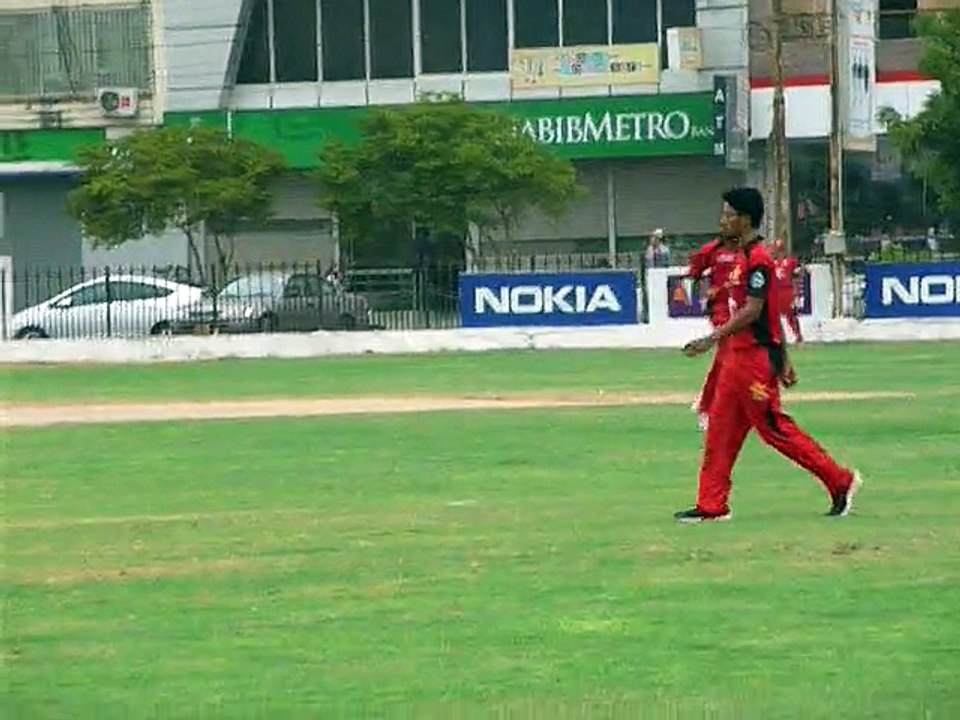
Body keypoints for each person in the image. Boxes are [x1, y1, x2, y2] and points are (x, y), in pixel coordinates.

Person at [676, 187, 862, 523]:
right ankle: (711, 505)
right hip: (734, 359)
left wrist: (711, 339)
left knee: (775, 428)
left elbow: (755, 311)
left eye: (729, 214)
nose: (723, 220)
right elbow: (766, 315)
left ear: (745, 219)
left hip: (753, 361)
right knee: (720, 431)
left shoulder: (759, 259)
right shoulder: (739, 257)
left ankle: (840, 480)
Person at [686, 233, 742, 430]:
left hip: (743, 309)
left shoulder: (749, 248)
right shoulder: (714, 249)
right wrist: (705, 292)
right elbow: (694, 272)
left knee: (737, 358)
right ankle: (707, 407)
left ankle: (719, 404)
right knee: (727, 352)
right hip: (721, 309)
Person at [770, 238, 804, 344]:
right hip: (776, 291)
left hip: (787, 291)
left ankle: (798, 335)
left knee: (791, 315)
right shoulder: (772, 263)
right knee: (773, 315)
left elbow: (798, 273)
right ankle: (776, 337)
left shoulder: (790, 262)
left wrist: (796, 289)